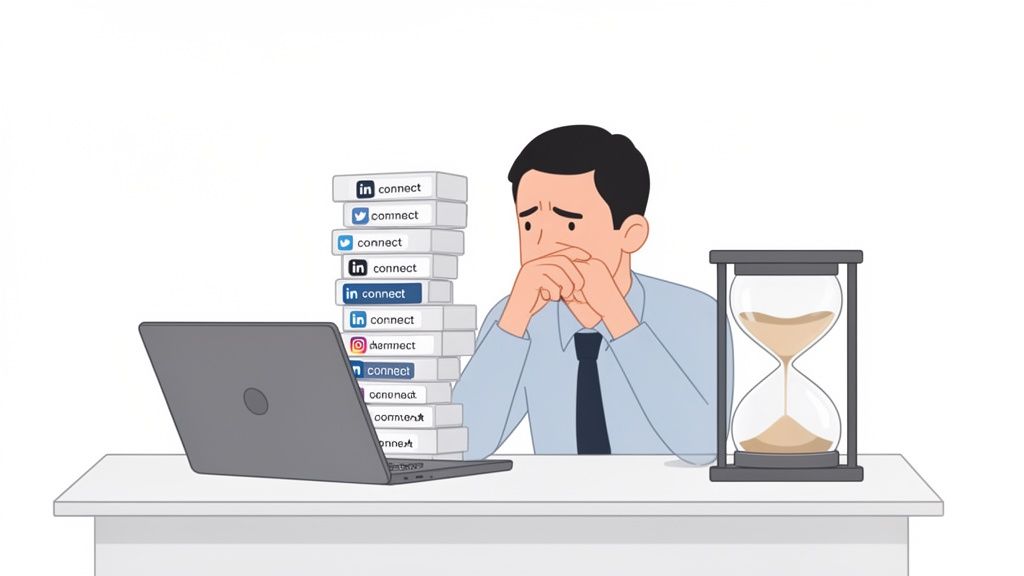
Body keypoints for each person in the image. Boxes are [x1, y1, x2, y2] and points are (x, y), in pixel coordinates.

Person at [452, 125, 733, 463]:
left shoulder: (695, 315)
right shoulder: (512, 319)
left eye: (569, 223)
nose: (544, 244)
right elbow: (459, 447)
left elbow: (702, 447)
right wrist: (513, 322)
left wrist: (619, 319)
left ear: (630, 233)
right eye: (528, 224)